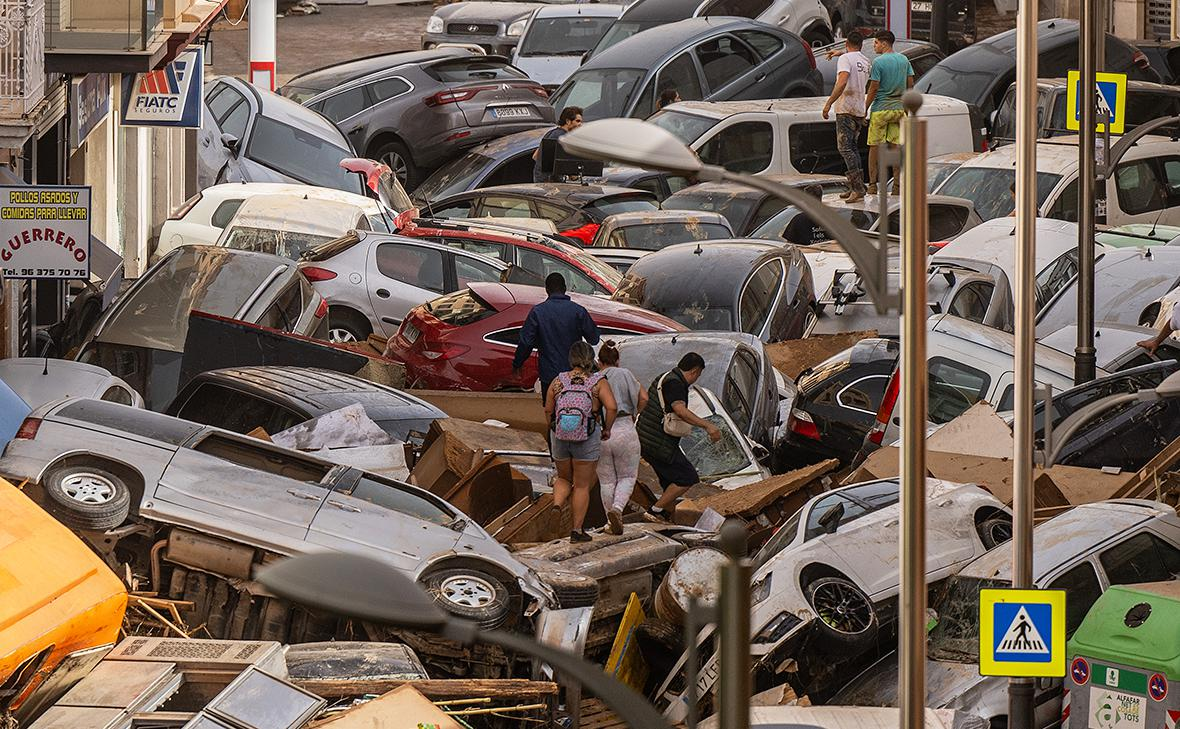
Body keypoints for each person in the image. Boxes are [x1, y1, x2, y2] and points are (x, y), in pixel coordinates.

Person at [546, 341, 617, 543]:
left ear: (571, 359)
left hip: (560, 436)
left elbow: (548, 410)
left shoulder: (558, 381)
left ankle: (557, 504)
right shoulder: (597, 382)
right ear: (590, 358)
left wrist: (554, 428)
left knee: (563, 478)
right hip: (587, 436)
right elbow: (612, 407)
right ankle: (577, 531)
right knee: (582, 485)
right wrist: (607, 429)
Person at [636, 352, 721, 522]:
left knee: (669, 483)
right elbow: (680, 411)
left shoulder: (665, 377)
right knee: (687, 477)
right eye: (698, 374)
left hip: (646, 439)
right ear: (695, 371)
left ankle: (667, 516)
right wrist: (708, 426)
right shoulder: (675, 384)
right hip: (658, 443)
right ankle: (655, 511)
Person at [513, 272, 601, 396]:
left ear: (547, 290)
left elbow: (526, 342)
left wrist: (518, 363)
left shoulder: (537, 312)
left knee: (551, 410)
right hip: (575, 374)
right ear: (565, 288)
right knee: (575, 408)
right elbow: (594, 339)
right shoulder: (578, 311)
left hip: (549, 375)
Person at [595, 340, 648, 535]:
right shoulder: (626, 374)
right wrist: (636, 413)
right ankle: (617, 509)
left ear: (599, 361)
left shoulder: (596, 377)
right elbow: (644, 398)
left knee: (607, 481)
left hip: (602, 432)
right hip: (625, 427)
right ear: (618, 360)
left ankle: (609, 522)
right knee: (627, 476)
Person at [822, 30, 870, 202]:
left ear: (846, 43)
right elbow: (853, 56)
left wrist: (828, 103)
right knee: (853, 148)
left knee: (845, 148)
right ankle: (857, 186)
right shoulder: (865, 61)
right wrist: (840, 53)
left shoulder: (845, 59)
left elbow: (842, 81)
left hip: (846, 108)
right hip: (858, 109)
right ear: (861, 45)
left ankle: (857, 188)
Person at [864, 30, 914, 194]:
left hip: (881, 109)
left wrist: (864, 108)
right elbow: (910, 85)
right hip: (899, 109)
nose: (874, 46)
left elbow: (873, 88)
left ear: (884, 43)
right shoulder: (904, 60)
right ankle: (897, 186)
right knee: (895, 147)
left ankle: (872, 184)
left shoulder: (878, 62)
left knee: (874, 147)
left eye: (876, 43)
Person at [533, 106, 584, 183]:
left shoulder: (550, 133)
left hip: (540, 181)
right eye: (577, 121)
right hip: (550, 184)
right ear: (568, 121)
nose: (580, 124)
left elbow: (535, 156)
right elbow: (566, 168)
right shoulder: (563, 137)